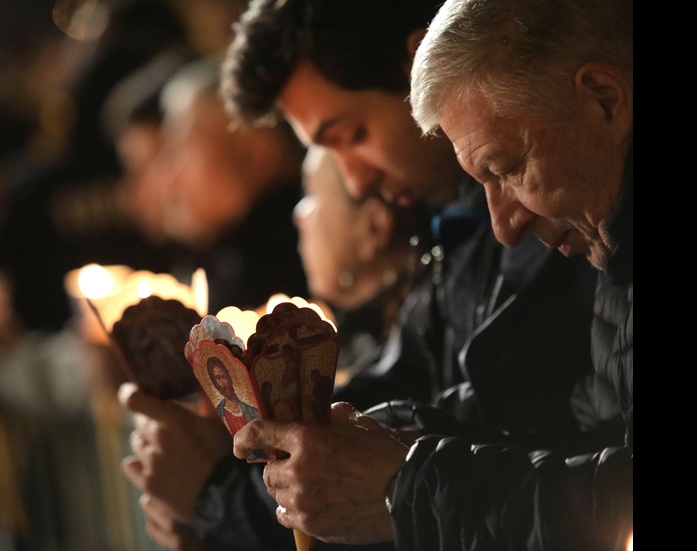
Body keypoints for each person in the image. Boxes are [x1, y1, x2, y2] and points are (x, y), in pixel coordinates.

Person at [121, 0, 599, 549]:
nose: (353, 181)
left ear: (415, 69)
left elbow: (485, 428)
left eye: (351, 135)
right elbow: (404, 391)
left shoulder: (547, 219)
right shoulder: (456, 223)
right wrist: (229, 454)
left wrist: (217, 497)